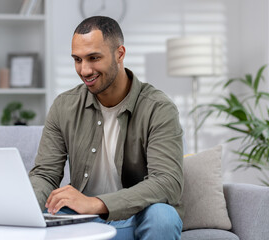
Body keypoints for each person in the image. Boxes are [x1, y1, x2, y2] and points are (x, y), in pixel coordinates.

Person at [29, 16, 183, 240]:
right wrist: (25, 208)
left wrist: (97, 204)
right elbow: (45, 174)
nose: (84, 70)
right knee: (38, 214)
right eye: (77, 60)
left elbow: (167, 182)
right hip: (81, 218)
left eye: (93, 58)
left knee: (163, 218)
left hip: (135, 217)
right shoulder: (64, 106)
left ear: (119, 54)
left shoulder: (158, 108)